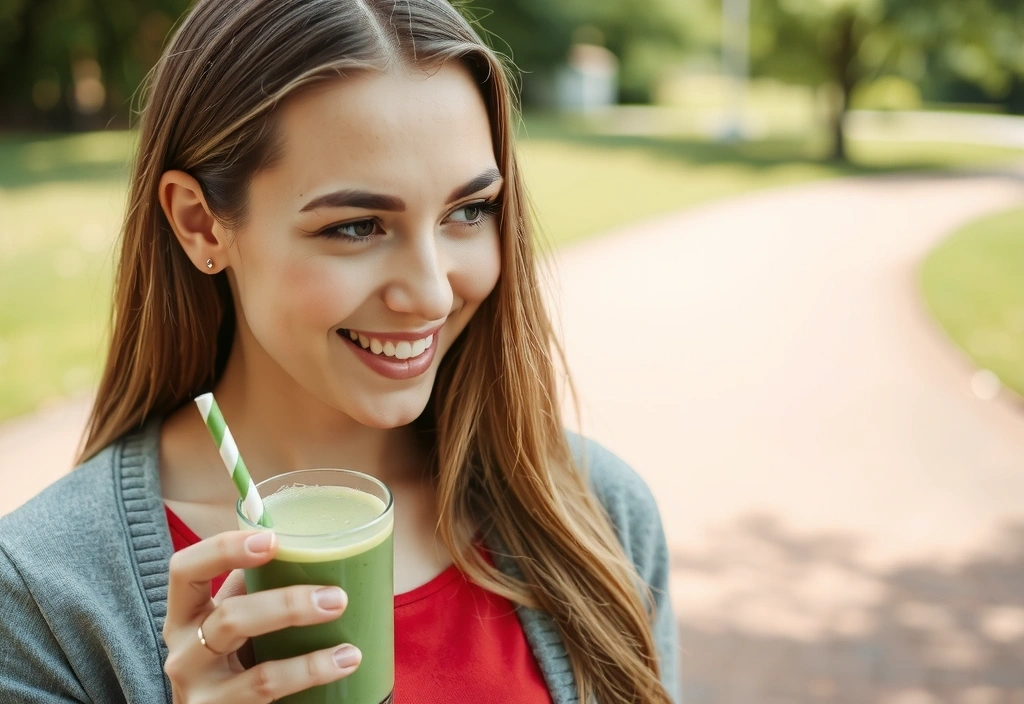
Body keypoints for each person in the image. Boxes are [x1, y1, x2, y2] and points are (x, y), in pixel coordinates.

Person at [0, 1, 681, 702]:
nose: (431, 295)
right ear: (201, 224)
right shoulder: (39, 601)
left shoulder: (597, 517)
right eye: (358, 226)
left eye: (467, 212)